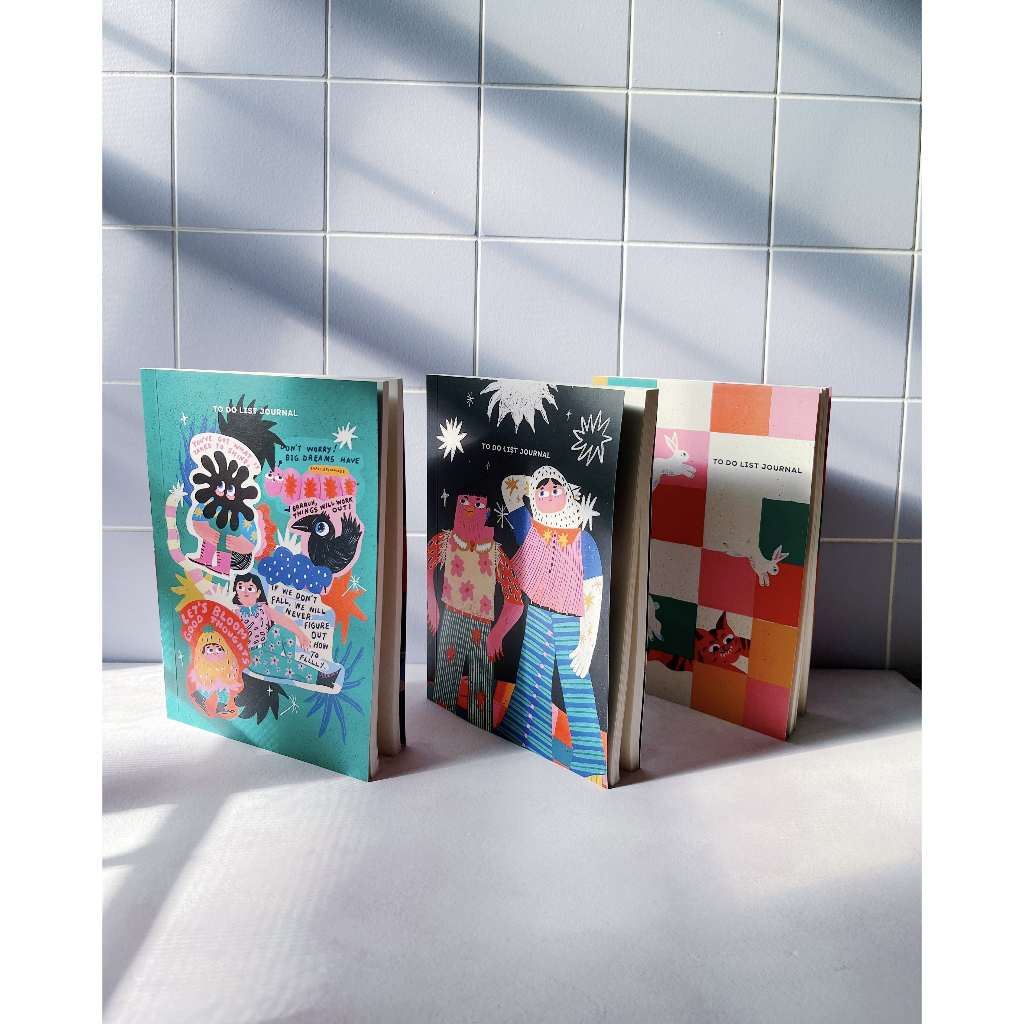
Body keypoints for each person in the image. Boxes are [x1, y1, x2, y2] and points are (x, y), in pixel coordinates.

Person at [495, 466, 606, 785]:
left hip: (571, 620)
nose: (547, 495)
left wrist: (587, 642)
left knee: (577, 683)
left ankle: (590, 758)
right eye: (541, 491)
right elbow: (509, 486)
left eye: (555, 489)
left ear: (568, 494)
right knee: (532, 675)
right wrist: (535, 483)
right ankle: (528, 735)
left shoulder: (584, 540)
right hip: (538, 614)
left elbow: (593, 592)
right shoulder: (529, 529)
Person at [427, 494, 523, 731]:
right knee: (445, 684)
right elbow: (425, 566)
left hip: (481, 626)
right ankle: (440, 731)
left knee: (481, 688)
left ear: (486, 511)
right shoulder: (445, 541)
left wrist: (497, 634)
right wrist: (432, 603)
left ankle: (481, 733)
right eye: (465, 502)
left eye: (478, 504)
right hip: (451, 618)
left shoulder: (495, 553)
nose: (470, 507)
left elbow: (515, 600)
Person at [231, 572, 320, 686]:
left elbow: (282, 619)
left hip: (267, 646)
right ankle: (318, 677)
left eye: (250, 588)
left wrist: (301, 635)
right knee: (282, 663)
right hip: (253, 656)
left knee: (281, 630)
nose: (245, 591)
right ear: (236, 591)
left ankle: (290, 664)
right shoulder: (236, 615)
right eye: (240, 587)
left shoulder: (263, 608)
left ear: (258, 593)